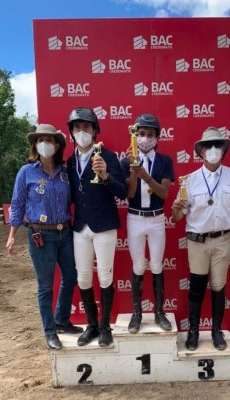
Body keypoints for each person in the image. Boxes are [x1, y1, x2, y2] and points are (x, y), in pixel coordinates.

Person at [6, 123, 83, 351]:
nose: (44, 144)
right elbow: (18, 203)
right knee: (45, 286)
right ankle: (50, 332)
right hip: (40, 234)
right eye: (40, 140)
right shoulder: (26, 172)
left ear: (57, 144)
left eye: (49, 140)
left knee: (71, 277)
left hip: (65, 232)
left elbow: (74, 199)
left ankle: (61, 320)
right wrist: (12, 234)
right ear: (35, 144)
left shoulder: (65, 172)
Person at [171, 127, 230, 351]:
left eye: (218, 145)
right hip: (197, 242)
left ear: (223, 150)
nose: (213, 149)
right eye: (208, 146)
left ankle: (216, 331)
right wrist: (176, 209)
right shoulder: (190, 180)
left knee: (218, 286)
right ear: (201, 151)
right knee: (196, 286)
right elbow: (177, 216)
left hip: (224, 239)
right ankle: (193, 331)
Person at [66, 107, 128, 347]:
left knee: (104, 276)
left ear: (95, 131)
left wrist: (105, 177)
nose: (82, 132)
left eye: (86, 127)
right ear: (71, 132)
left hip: (104, 225)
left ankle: (105, 327)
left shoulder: (109, 157)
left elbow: (122, 192)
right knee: (83, 277)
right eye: (77, 128)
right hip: (80, 226)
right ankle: (91, 325)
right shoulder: (69, 163)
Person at [120, 113, 175, 333]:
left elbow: (163, 193)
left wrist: (145, 175)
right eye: (141, 134)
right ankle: (137, 314)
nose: (145, 138)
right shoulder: (126, 160)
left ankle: (159, 312)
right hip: (134, 218)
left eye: (150, 135)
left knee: (157, 264)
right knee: (138, 265)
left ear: (157, 138)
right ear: (135, 135)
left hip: (156, 219)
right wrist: (133, 169)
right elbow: (130, 193)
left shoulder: (165, 161)